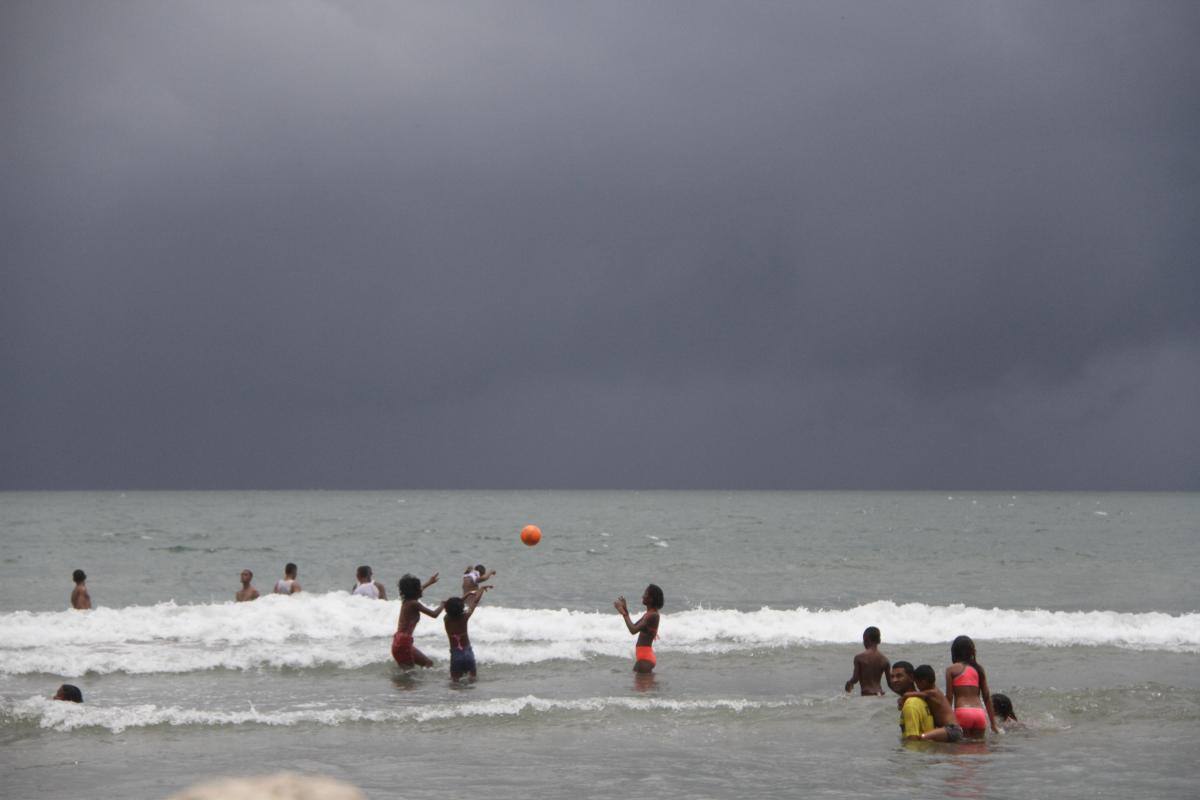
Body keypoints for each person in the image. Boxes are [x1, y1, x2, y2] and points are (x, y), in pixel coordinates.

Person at [946, 635, 999, 735]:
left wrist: (946, 720)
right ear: (972, 651)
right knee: (979, 748)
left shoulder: (951, 670)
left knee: (961, 748)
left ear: (954, 652)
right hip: (979, 714)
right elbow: (987, 697)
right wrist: (993, 724)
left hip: (962, 712)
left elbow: (949, 697)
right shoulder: (979, 669)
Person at [901, 665, 964, 742]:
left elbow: (907, 694)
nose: (917, 686)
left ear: (923, 682)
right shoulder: (934, 692)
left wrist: (902, 701)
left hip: (952, 729)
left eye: (916, 683)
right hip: (950, 729)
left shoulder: (933, 693)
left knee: (922, 737)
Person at [392, 573, 442, 668]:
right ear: (415, 591)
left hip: (398, 640)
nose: (421, 588)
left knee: (416, 669)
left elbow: (420, 589)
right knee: (411, 673)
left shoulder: (407, 601)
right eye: (419, 587)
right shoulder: (414, 604)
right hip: (404, 642)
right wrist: (443, 604)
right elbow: (434, 614)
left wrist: (429, 582)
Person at [443, 586, 490, 682]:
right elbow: (475, 602)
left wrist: (466, 595)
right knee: (472, 679)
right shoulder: (465, 617)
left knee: (455, 681)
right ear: (461, 608)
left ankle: (457, 696)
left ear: (447, 609)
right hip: (468, 653)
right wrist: (481, 590)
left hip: (456, 654)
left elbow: (454, 605)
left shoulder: (447, 619)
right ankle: (471, 696)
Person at [614, 584, 662, 673]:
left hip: (645, 659)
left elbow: (633, 630)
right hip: (644, 658)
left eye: (645, 594)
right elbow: (633, 626)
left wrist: (624, 614)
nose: (642, 596)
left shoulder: (653, 615)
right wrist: (625, 610)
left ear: (651, 598)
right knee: (641, 684)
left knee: (639, 686)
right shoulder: (648, 614)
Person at [890, 661, 934, 739]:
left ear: (911, 678)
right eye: (892, 677)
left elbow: (913, 740)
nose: (894, 680)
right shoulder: (920, 700)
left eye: (899, 676)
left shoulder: (910, 704)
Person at [845, 626, 891, 695]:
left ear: (866, 639)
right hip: (880, 694)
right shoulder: (885, 660)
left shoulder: (859, 658)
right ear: (879, 640)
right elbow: (890, 684)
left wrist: (849, 683)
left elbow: (855, 679)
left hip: (867, 694)